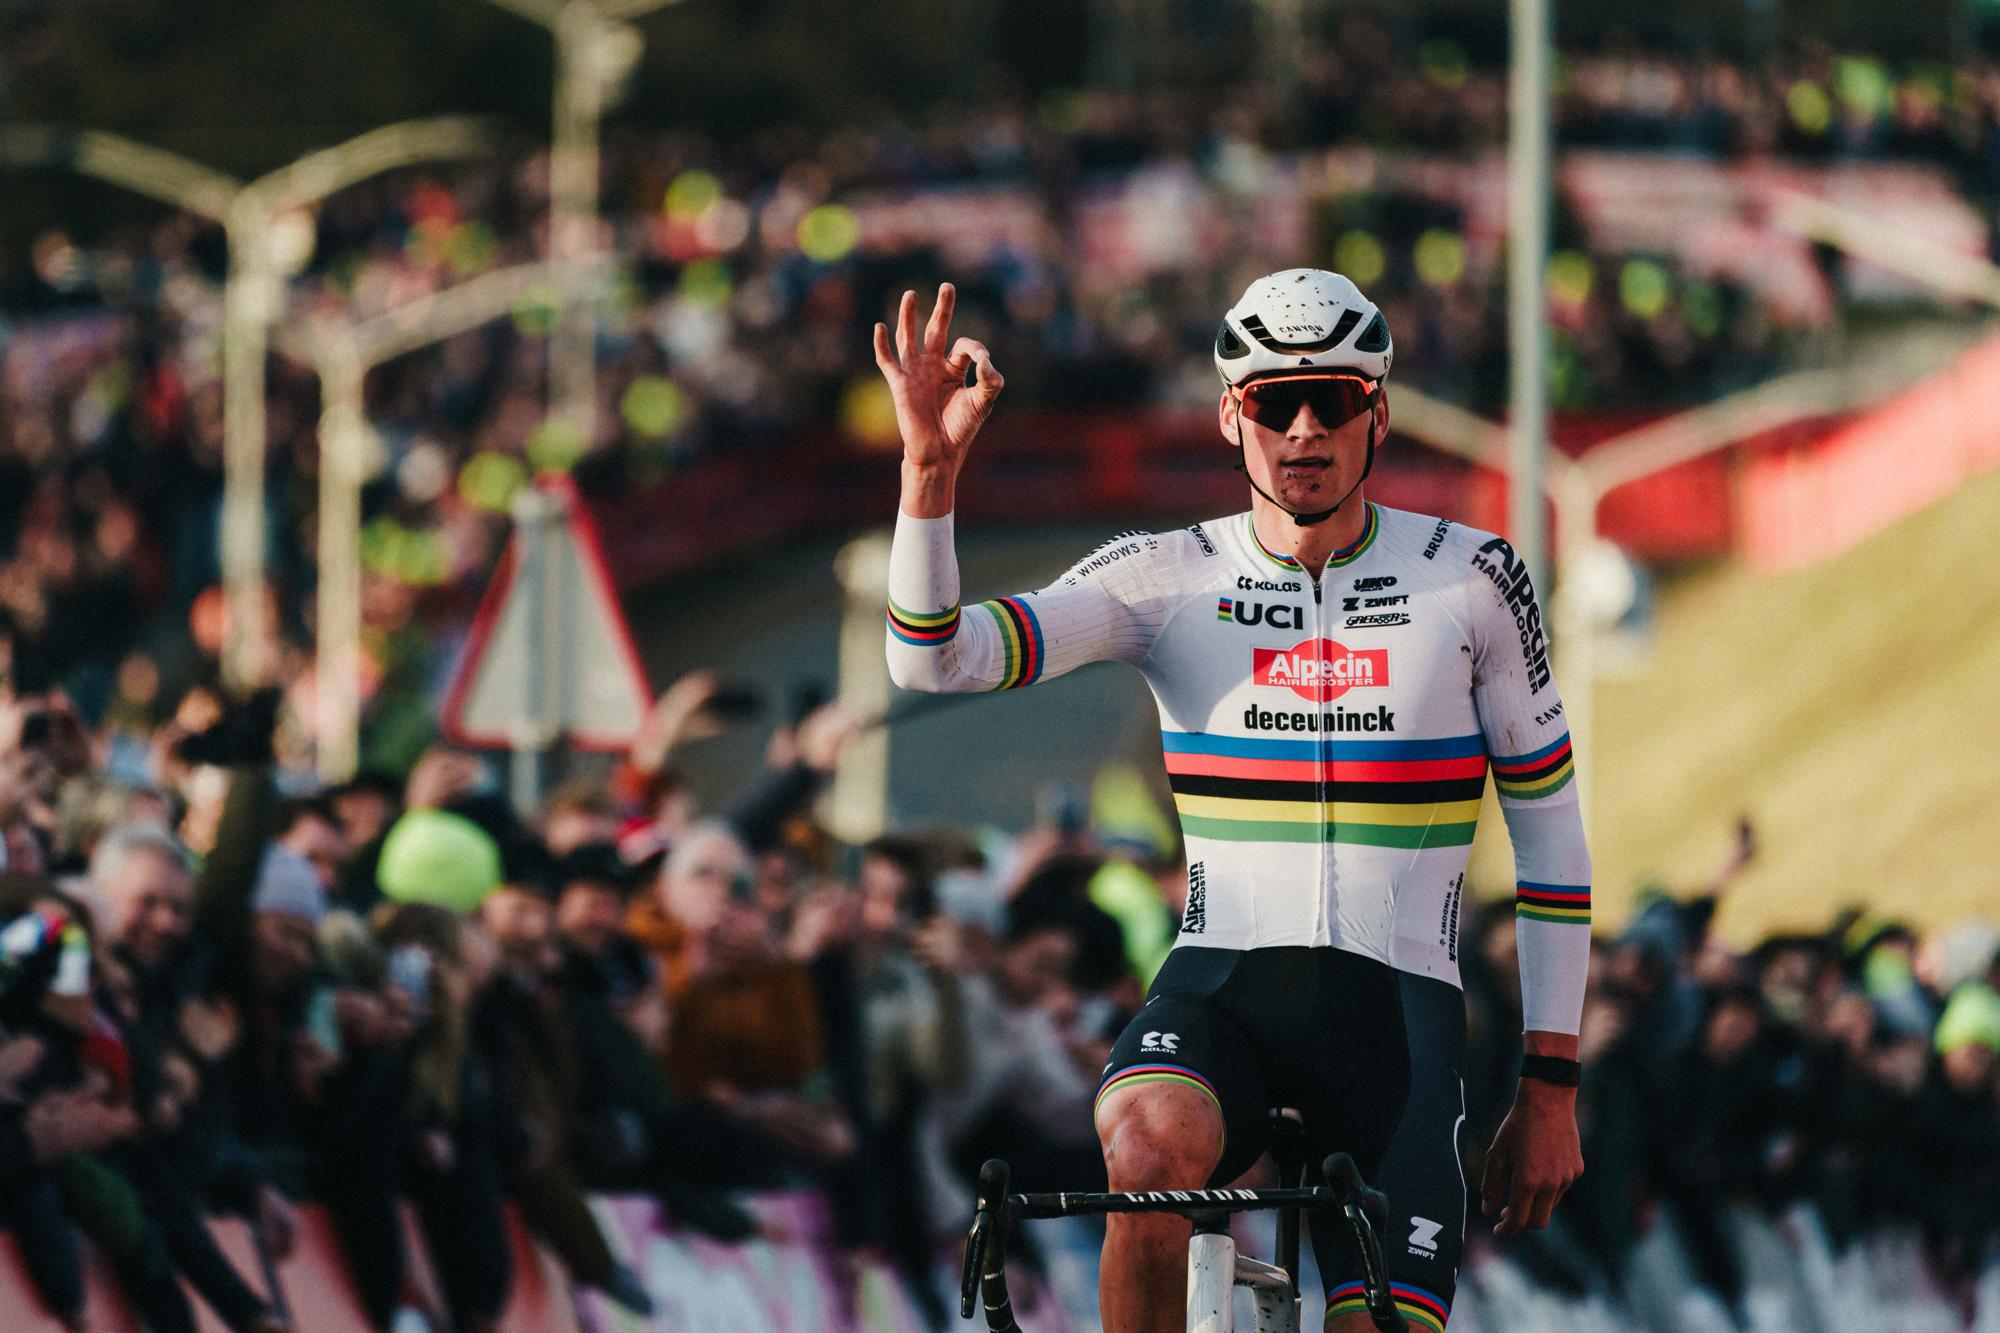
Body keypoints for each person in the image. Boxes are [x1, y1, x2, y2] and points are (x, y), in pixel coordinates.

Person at [875, 270, 1591, 1332]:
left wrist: (1549, 1086)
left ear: (1377, 414)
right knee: (1145, 1147)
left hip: (1398, 1026)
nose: (1302, 429)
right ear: (1228, 416)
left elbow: (1552, 843)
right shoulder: (1167, 575)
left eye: (1332, 400)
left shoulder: (1473, 578)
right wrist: (928, 475)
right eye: (1272, 402)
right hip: (1221, 996)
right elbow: (932, 659)